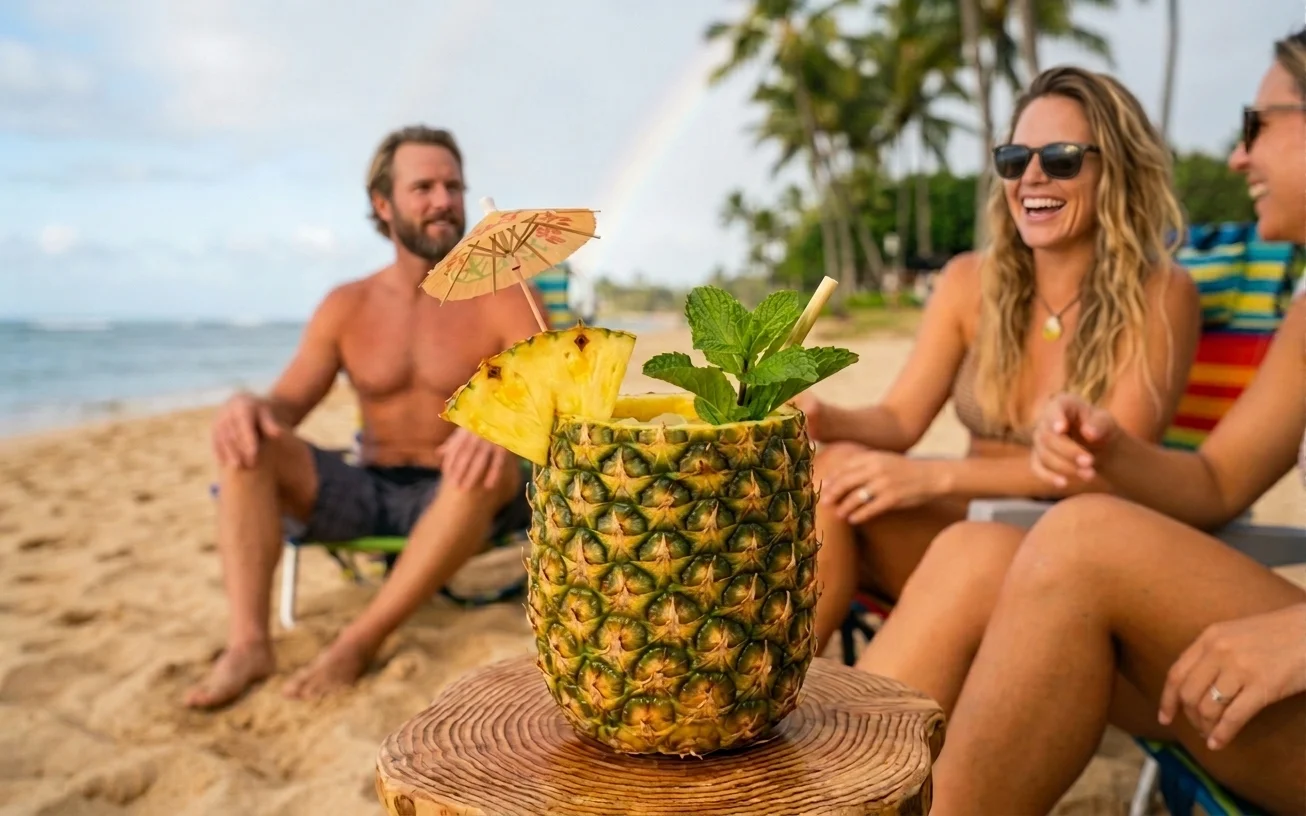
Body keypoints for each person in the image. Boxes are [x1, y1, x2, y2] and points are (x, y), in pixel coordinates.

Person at [871, 33, 1306, 815]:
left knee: (1071, 536)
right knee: (986, 540)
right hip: (1057, 569)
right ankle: (811, 782)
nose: (1238, 156)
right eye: (1015, 159)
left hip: (1228, 637)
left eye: (1261, 123)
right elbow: (1213, 482)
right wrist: (1111, 451)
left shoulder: (1156, 292)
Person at [794, 65, 1202, 651]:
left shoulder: (1160, 294)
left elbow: (1106, 470)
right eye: (1014, 159)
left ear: (1115, 168)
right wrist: (826, 417)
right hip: (959, 527)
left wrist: (932, 476)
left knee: (837, 479)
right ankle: (785, 695)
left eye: (1061, 158)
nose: (1031, 176)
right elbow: (899, 421)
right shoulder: (969, 282)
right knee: (830, 468)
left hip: (1063, 548)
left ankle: (798, 700)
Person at [184, 126, 545, 708]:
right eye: (423, 186)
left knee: (482, 460)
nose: (443, 200)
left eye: (453, 186)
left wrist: (501, 434)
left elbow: (553, 401)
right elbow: (287, 405)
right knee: (249, 444)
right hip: (371, 484)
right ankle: (249, 643)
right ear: (384, 205)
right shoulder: (346, 304)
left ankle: (359, 641)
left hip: (466, 493)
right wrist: (246, 406)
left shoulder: (506, 297)